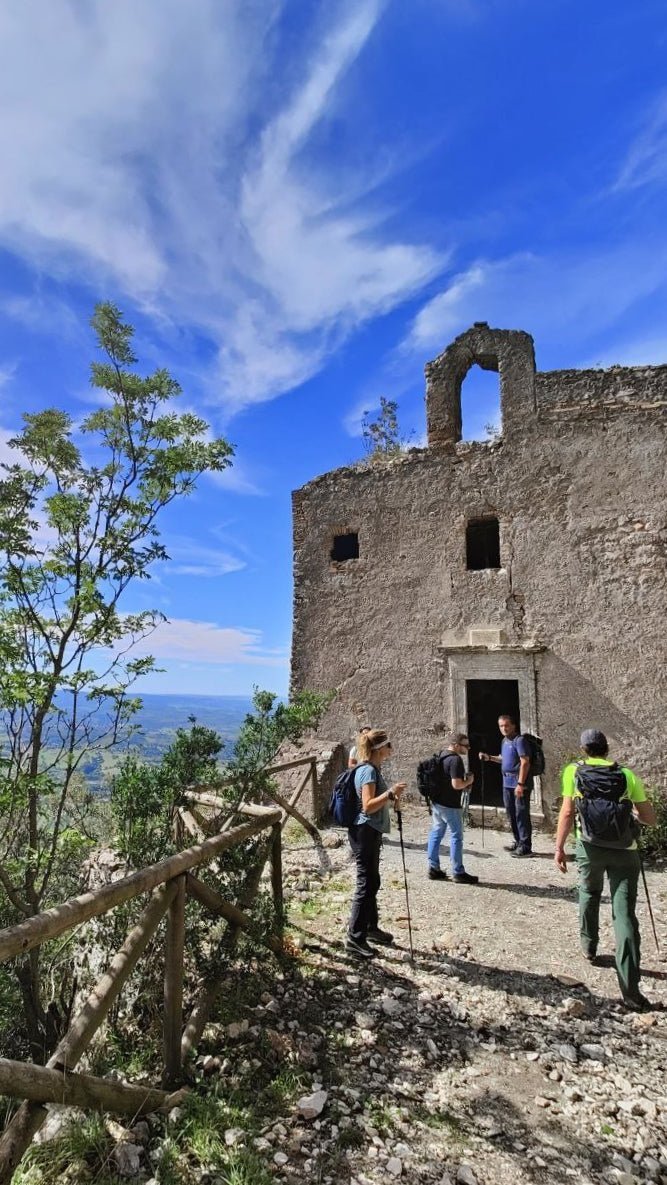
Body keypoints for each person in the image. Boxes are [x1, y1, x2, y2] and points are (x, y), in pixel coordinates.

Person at [554, 728, 657, 1011]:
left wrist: (559, 847)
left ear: (584, 749)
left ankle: (589, 946)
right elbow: (649, 818)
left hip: (589, 847)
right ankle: (630, 988)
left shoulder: (573, 771)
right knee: (624, 915)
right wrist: (632, 815)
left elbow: (566, 812)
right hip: (626, 851)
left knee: (589, 892)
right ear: (607, 748)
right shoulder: (626, 775)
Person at [346, 728, 406, 960]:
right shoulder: (368, 771)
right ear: (380, 749)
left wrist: (391, 798)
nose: (392, 749)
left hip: (370, 832)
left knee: (372, 881)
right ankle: (355, 938)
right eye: (389, 746)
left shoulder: (373, 769)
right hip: (365, 832)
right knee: (365, 884)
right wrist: (390, 794)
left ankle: (370, 928)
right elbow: (368, 805)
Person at [426, 732, 479, 884]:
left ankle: (433, 868)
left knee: (436, 833)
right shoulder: (455, 760)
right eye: (465, 745)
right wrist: (469, 781)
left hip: (437, 802)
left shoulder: (441, 755)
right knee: (456, 836)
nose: (468, 748)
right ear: (456, 745)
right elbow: (456, 785)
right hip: (450, 804)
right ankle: (458, 872)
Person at [480, 714, 533, 857]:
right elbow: (503, 759)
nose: (504, 728)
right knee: (511, 813)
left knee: (521, 814)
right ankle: (518, 841)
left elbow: (525, 762)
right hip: (507, 783)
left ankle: (526, 846)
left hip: (519, 783)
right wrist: (489, 758)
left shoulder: (519, 740)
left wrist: (520, 784)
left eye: (507, 725)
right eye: (501, 726)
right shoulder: (505, 741)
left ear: (513, 726)